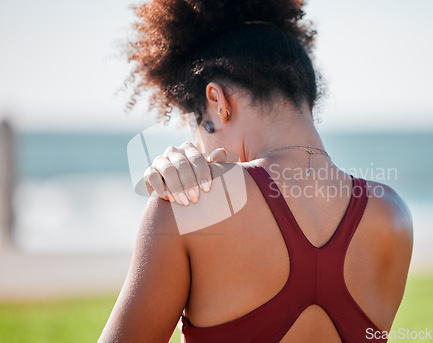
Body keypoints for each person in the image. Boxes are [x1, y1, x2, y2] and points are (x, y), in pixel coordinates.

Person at [99, 0, 413, 342]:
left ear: (218, 102)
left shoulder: (189, 202)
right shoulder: (392, 212)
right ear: (305, 97)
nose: (200, 151)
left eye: (198, 127)